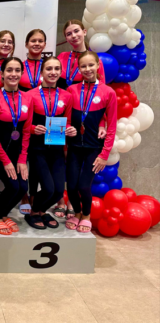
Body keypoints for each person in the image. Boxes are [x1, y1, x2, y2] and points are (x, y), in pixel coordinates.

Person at [65, 51, 117, 233]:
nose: (87, 69)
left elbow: (112, 125)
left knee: (84, 185)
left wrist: (104, 154)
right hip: (74, 146)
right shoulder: (72, 90)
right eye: (83, 66)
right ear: (78, 69)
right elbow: (66, 118)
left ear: (97, 66)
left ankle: (86, 215)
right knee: (71, 186)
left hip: (94, 148)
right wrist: (68, 128)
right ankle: (77, 212)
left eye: (90, 65)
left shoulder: (108, 92)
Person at [25, 58, 76, 230]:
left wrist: (69, 129)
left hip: (56, 148)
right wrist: (33, 129)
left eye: (56, 68)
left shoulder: (67, 96)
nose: (53, 72)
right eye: (48, 68)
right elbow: (24, 124)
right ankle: (34, 212)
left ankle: (41, 211)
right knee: (48, 189)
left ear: (61, 72)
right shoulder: (30, 95)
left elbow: (68, 121)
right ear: (42, 72)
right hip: (37, 148)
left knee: (58, 191)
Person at [0, 57, 33, 235]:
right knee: (13, 187)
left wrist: (22, 159)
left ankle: (3, 213)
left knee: (23, 188)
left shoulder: (27, 98)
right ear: (2, 74)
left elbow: (26, 131)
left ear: (22, 73)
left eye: (17, 70)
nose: (13, 74)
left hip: (16, 154)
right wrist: (5, 161)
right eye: (9, 70)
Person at [57, 19, 106, 90]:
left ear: (84, 32)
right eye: (69, 34)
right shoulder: (61, 57)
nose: (73, 35)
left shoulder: (94, 60)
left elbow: (101, 89)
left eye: (76, 31)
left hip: (84, 97)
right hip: (60, 96)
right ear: (66, 39)